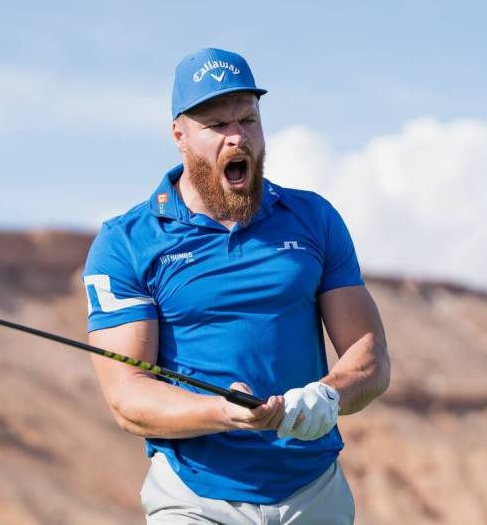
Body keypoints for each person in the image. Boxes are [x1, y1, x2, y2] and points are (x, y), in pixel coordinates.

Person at [83, 47, 390, 524]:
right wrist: (222, 412)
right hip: (194, 496)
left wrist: (327, 396)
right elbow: (128, 397)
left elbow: (370, 357)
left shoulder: (314, 219)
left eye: (248, 119)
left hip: (312, 491)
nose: (236, 137)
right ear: (179, 135)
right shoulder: (127, 242)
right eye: (217, 125)